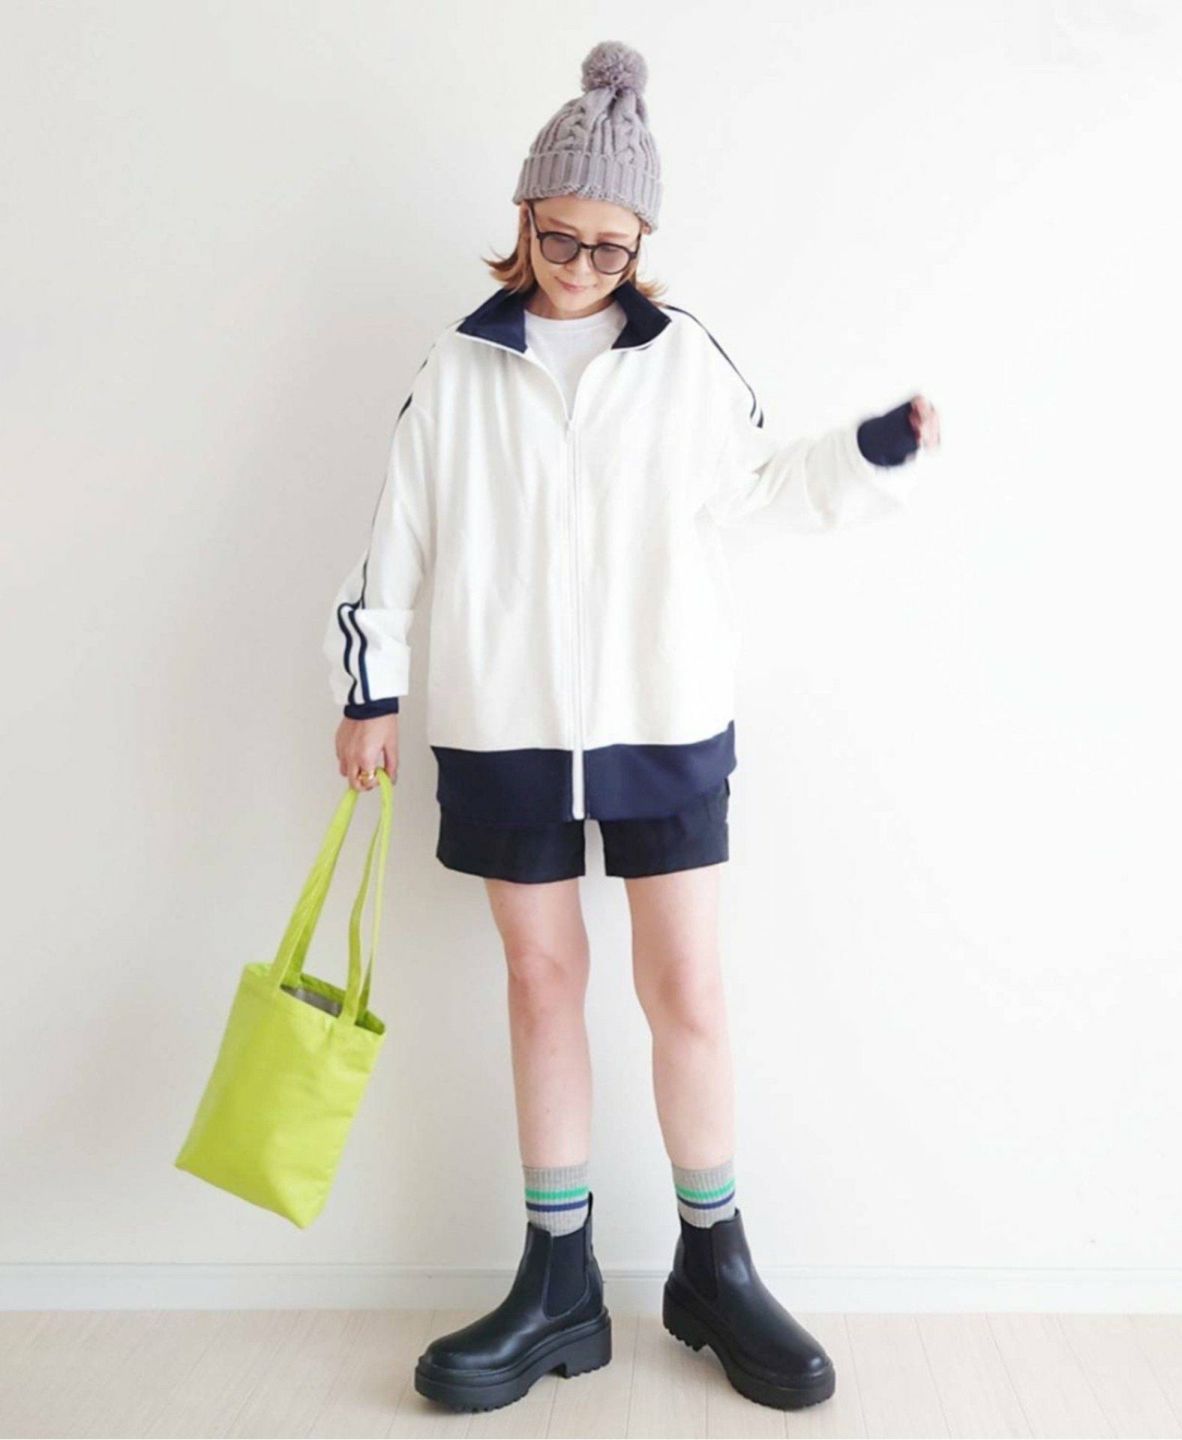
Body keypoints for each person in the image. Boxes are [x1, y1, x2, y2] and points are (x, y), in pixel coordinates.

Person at [326, 39, 939, 1415]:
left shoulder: (684, 361)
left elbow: (768, 486)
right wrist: (370, 687)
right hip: (504, 724)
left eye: (611, 246)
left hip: (662, 713)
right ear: (525, 218)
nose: (582, 266)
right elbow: (396, 539)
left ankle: (714, 1266)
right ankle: (558, 1285)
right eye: (561, 238)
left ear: (642, 241)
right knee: (542, 983)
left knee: (689, 991)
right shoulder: (457, 368)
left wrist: (872, 453)